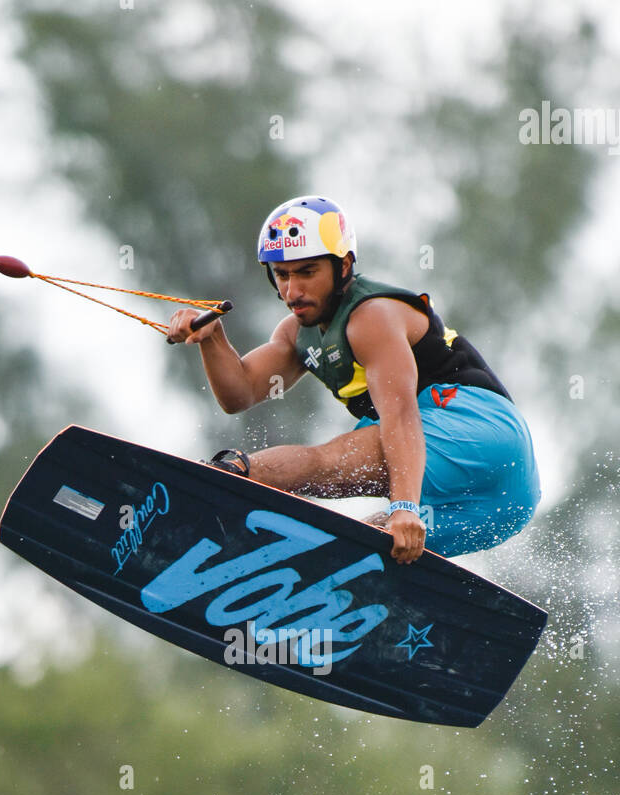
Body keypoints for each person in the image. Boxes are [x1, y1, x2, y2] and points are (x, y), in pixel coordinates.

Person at [167, 195, 540, 565]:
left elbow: (401, 415)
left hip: (480, 432)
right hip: (508, 504)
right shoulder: (295, 334)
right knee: (364, 551)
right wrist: (212, 339)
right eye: (282, 275)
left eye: (307, 272)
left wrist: (405, 507)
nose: (292, 291)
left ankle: (223, 476)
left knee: (328, 462)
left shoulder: (370, 317)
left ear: (343, 266)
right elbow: (241, 393)